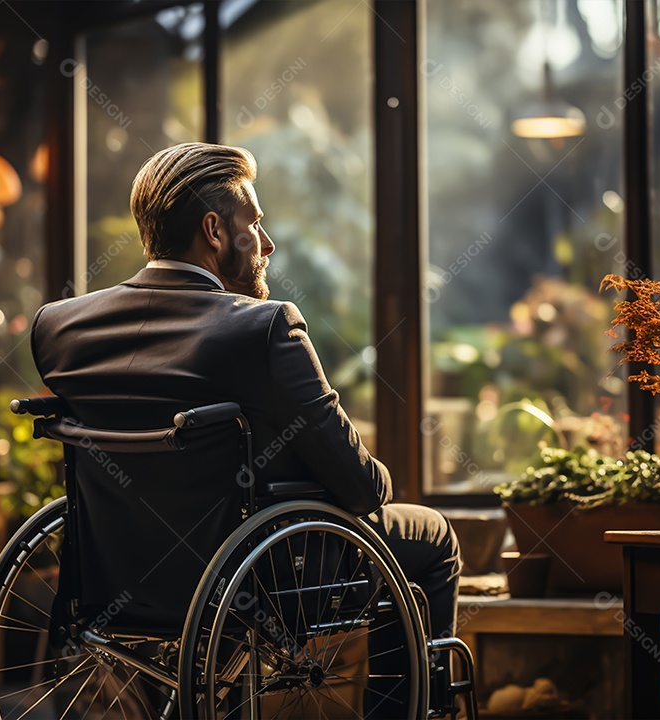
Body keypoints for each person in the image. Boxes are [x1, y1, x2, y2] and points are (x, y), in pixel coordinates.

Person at [31, 142, 461, 715]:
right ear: (214, 230)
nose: (268, 242)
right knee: (431, 536)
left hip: (119, 582)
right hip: (258, 581)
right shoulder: (262, 328)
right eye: (254, 222)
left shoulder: (62, 327)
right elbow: (362, 489)